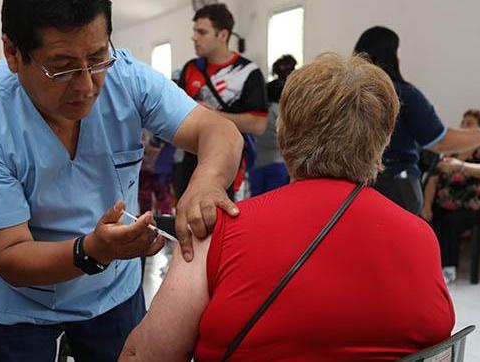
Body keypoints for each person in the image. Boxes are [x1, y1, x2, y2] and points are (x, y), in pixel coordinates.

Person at [0, 1, 243, 361]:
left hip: (112, 292)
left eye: (98, 58)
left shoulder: (127, 79)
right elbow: (10, 255)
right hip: (19, 307)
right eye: (62, 68)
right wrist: (91, 251)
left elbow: (218, 129)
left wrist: (206, 181)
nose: (87, 85)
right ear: (13, 52)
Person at [120, 54, 455, 361]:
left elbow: (145, 355)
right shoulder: (421, 237)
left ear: (284, 138)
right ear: (381, 143)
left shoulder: (217, 230)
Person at [353, 26, 480, 215]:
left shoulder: (346, 94)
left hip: (353, 187)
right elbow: (440, 140)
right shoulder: (402, 94)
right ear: (391, 54)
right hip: (396, 186)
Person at [174, 3, 267, 200]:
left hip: (231, 163)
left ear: (222, 35)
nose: (194, 37)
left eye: (202, 32)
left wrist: (213, 116)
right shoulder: (190, 69)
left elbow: (258, 124)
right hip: (191, 162)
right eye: (194, 31)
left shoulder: (248, 72)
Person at [423, 109, 480, 283]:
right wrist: (426, 206)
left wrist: (459, 166)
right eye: (463, 122)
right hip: (448, 203)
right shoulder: (452, 150)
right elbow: (433, 178)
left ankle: (448, 269)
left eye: (469, 123)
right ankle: (428, 266)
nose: (463, 125)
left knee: (450, 222)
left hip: (478, 206)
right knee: (427, 220)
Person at [249, 54, 296, 196]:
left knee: (256, 203)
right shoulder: (283, 110)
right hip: (278, 163)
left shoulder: (259, 112)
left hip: (257, 162)